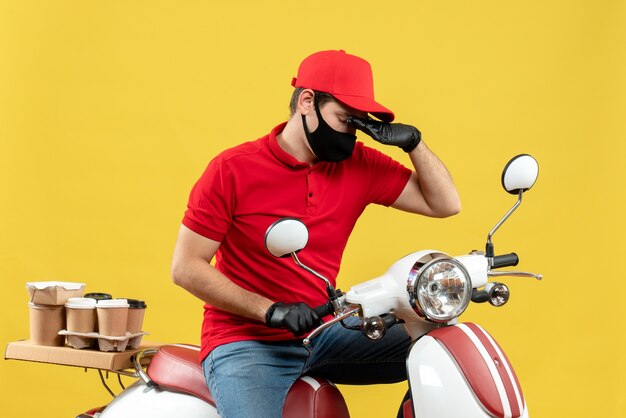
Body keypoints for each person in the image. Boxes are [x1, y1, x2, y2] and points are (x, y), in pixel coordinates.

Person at [171, 49, 461, 418]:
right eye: (344, 119)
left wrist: (413, 144)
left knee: (445, 349)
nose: (351, 134)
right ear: (307, 102)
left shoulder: (360, 166)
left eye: (360, 123)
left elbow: (445, 204)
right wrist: (270, 311)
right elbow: (186, 267)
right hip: (247, 342)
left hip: (324, 332)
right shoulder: (233, 169)